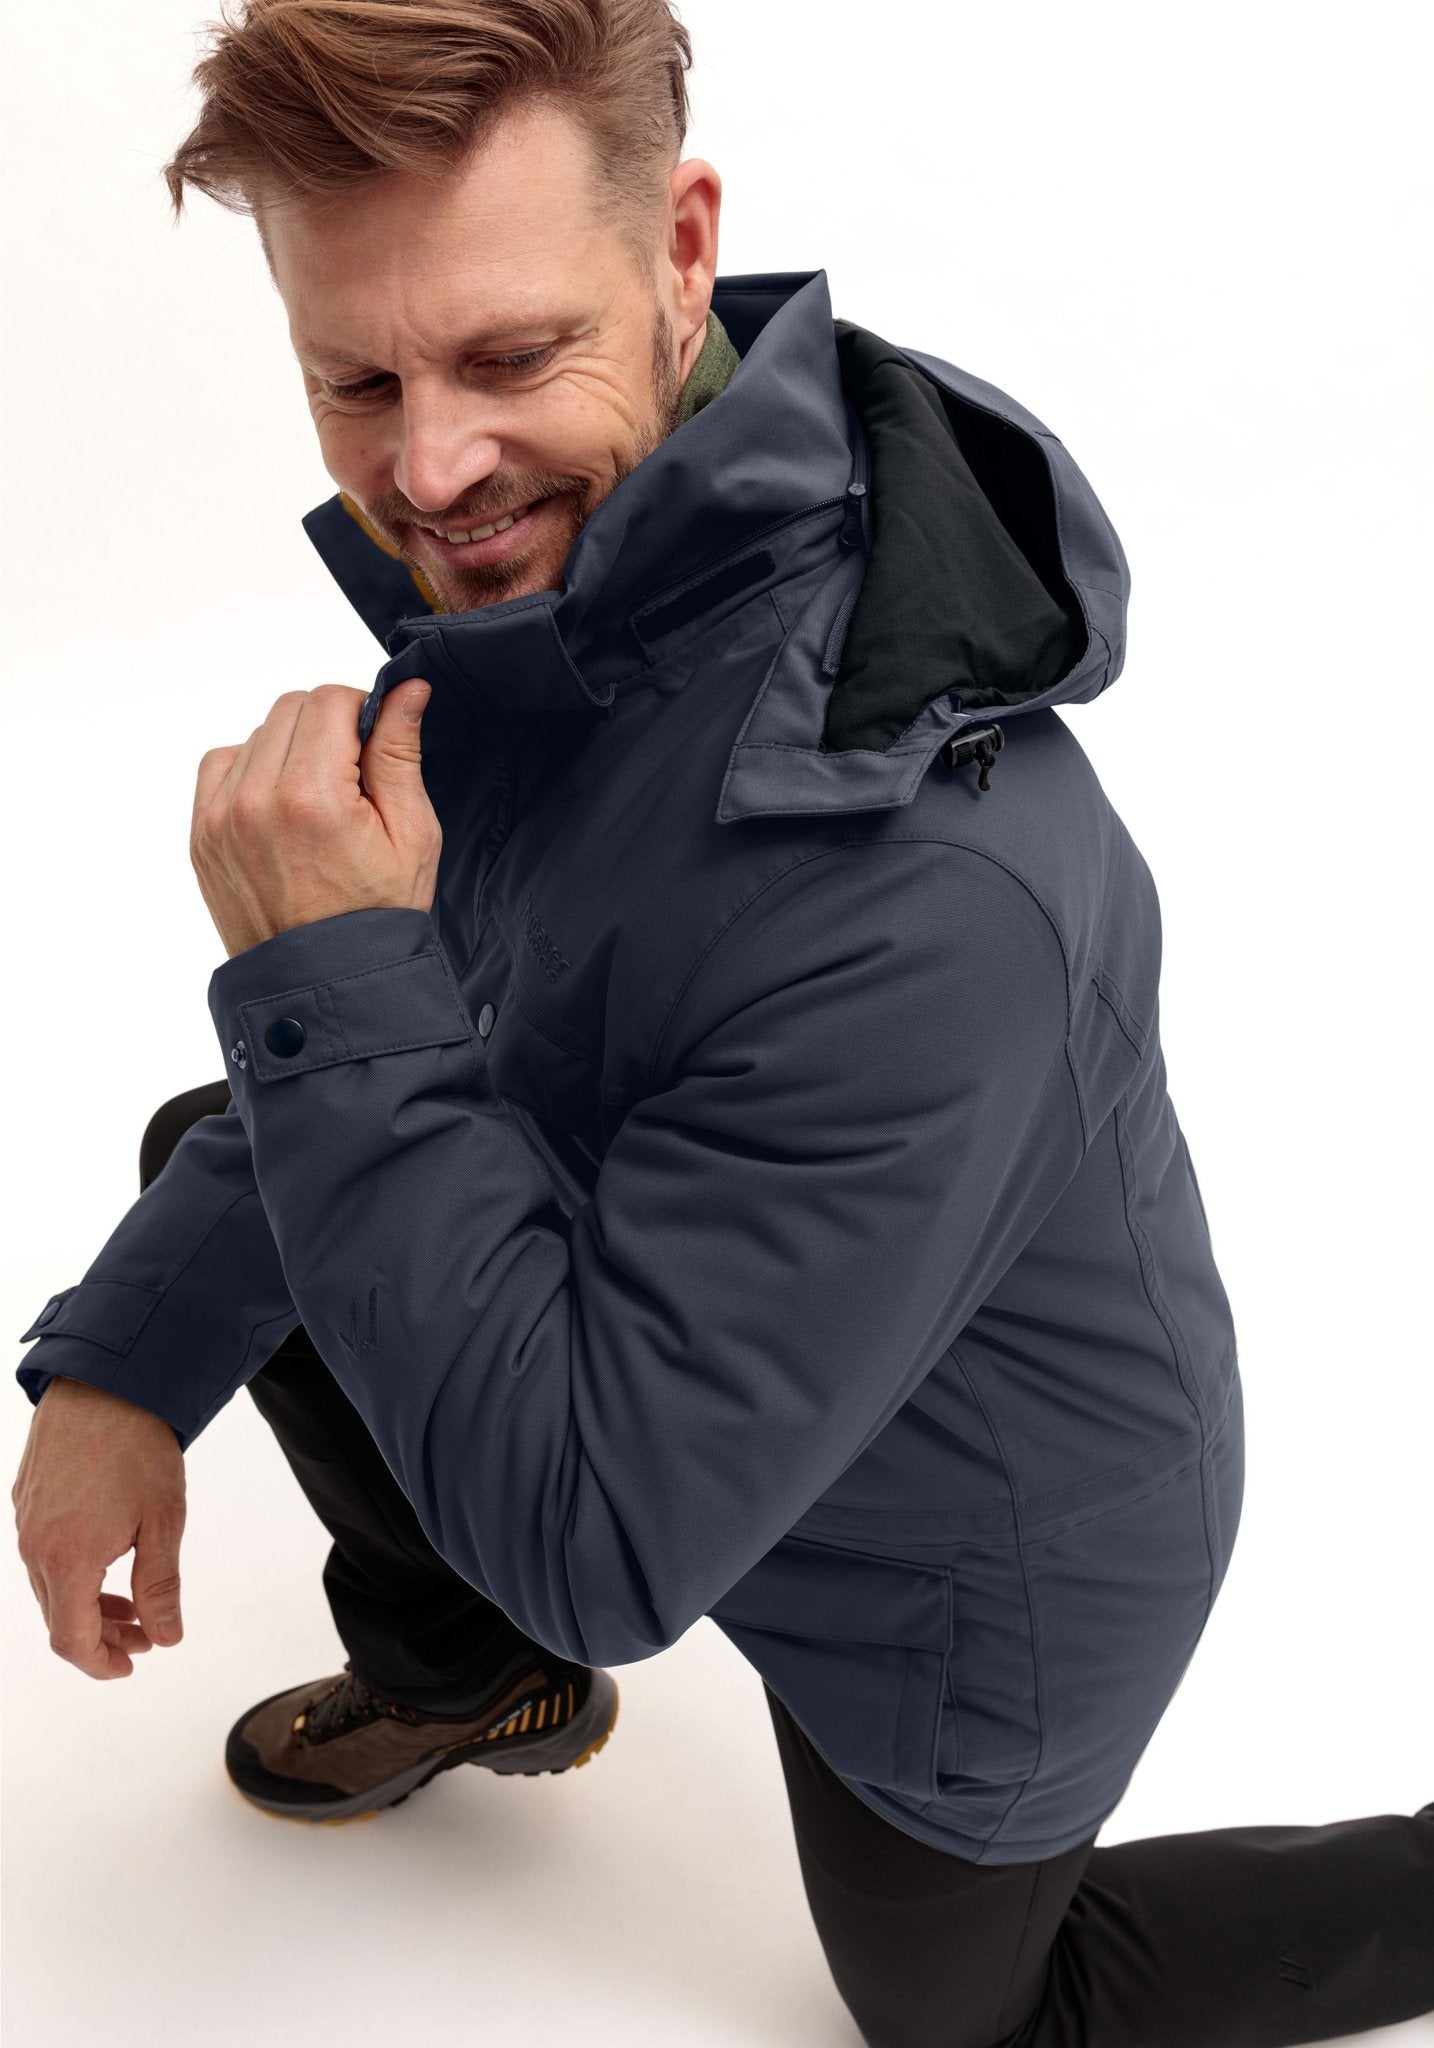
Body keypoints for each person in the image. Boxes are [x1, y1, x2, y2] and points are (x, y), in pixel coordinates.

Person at [11, 5, 1432, 2044]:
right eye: (357, 380)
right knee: (239, 1154)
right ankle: (464, 1675)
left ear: (683, 252)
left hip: (957, 1568)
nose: (429, 471)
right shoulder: (586, 608)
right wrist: (122, 1371)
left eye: (511, 357)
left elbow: (604, 1547)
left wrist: (325, 974)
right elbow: (449, 1023)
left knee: (969, 2021)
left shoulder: (930, 898)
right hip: (683, 1332)